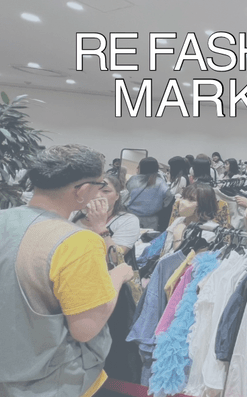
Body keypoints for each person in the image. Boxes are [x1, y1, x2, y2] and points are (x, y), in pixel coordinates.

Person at [0, 144, 134, 396]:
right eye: (99, 185)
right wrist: (117, 276)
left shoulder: (4, 219)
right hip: (49, 380)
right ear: (82, 190)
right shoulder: (78, 241)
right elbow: (85, 329)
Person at [73, 173, 141, 253]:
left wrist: (100, 226)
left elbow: (115, 258)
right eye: (92, 190)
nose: (97, 196)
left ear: (117, 196)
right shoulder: (73, 213)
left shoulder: (127, 221)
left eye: (106, 191)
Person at [125, 157, 174, 229]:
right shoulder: (160, 182)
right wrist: (162, 205)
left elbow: (126, 194)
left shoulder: (133, 180)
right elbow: (169, 196)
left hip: (131, 216)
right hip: (151, 219)